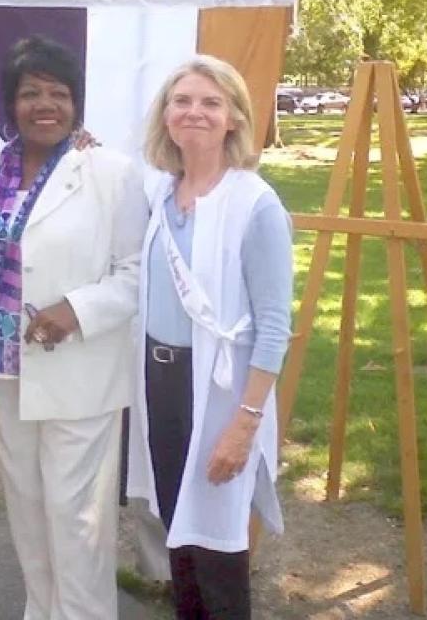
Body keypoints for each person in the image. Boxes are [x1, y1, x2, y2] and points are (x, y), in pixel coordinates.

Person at [0, 35, 147, 620]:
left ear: (77, 104)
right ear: (9, 103)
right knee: (27, 511)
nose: (45, 104)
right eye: (30, 93)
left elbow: (135, 272)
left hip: (79, 372)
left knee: (77, 522)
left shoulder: (110, 171)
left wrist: (76, 309)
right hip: (9, 369)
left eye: (58, 94)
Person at [127, 54, 293, 619]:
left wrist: (245, 424)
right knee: (179, 533)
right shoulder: (158, 194)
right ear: (166, 116)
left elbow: (274, 325)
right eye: (182, 100)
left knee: (219, 549)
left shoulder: (255, 204)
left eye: (210, 102)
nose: (193, 112)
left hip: (220, 393)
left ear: (233, 119)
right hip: (160, 381)